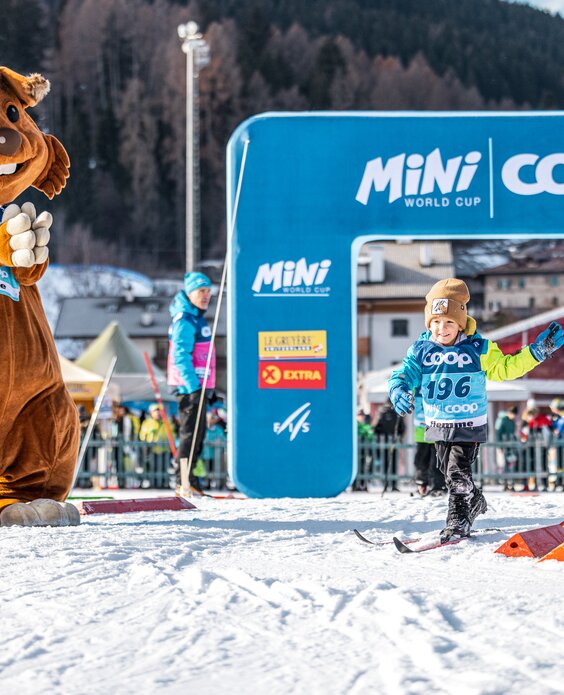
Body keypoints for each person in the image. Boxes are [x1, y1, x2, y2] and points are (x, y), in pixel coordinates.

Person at [388, 278, 564, 543]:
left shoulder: (477, 348)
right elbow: (404, 374)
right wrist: (398, 389)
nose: (441, 328)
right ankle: (474, 500)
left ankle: (458, 520)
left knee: (457, 472)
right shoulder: (421, 350)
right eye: (435, 322)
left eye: (448, 322)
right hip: (438, 424)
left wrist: (537, 352)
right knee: (447, 472)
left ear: (460, 322)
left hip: (468, 422)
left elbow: (506, 368)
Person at [168, 272, 216, 492]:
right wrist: (194, 386)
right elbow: (180, 355)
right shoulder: (185, 319)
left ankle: (190, 479)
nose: (206, 295)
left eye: (208, 291)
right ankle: (182, 481)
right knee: (190, 433)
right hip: (190, 388)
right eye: (201, 291)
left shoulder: (197, 316)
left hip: (200, 385)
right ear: (190, 293)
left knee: (199, 434)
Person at [412, 388, 446, 497]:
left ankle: (438, 486)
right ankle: (422, 485)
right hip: (421, 430)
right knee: (421, 461)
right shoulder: (416, 384)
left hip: (436, 428)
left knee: (436, 461)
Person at [373, 398, 405, 491]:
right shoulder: (397, 412)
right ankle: (394, 484)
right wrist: (400, 436)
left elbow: (376, 427)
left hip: (383, 441)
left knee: (385, 463)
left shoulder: (381, 411)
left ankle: (386, 484)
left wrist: (379, 437)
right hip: (393, 442)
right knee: (394, 462)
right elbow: (402, 427)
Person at [138, 403, 170, 488]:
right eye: (155, 411)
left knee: (163, 467)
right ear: (151, 413)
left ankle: (163, 484)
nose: (158, 413)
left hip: (164, 449)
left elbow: (171, 434)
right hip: (152, 449)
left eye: (159, 411)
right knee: (153, 467)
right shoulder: (147, 423)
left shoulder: (166, 422)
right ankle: (153, 484)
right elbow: (142, 435)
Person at [111, 403, 140, 488]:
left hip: (126, 444)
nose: (120, 411)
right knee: (118, 463)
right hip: (116, 445)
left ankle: (126, 481)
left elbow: (130, 431)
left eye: (121, 409)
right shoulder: (115, 420)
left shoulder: (128, 419)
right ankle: (120, 481)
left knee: (126, 464)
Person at [494, 405, 519, 491]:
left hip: (511, 445)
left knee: (511, 464)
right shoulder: (502, 420)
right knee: (504, 465)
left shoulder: (512, 421)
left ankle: (511, 483)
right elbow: (498, 433)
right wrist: (499, 446)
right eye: (513, 414)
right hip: (503, 445)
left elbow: (513, 433)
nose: (514, 416)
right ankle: (505, 483)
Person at [354, 409, 374, 491]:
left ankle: (364, 484)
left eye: (362, 416)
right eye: (359, 416)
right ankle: (355, 485)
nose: (361, 417)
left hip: (365, 450)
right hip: (356, 450)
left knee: (364, 467)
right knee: (356, 467)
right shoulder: (356, 425)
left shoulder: (367, 426)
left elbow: (370, 436)